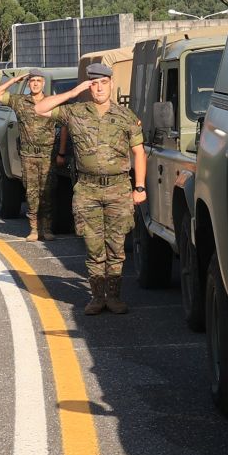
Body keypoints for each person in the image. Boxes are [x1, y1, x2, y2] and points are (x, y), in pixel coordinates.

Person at [33, 62, 145, 314]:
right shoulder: (76, 111)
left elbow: (139, 153)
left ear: (111, 84)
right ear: (88, 86)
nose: (99, 88)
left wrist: (139, 186)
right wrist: (73, 92)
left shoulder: (126, 116)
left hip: (118, 188)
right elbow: (40, 108)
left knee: (116, 248)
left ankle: (114, 297)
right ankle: (97, 297)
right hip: (87, 190)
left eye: (103, 83)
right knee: (94, 247)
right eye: (94, 83)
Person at [0, 71, 58, 241]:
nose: (35, 84)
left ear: (43, 83)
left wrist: (62, 152)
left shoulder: (51, 101)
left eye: (38, 81)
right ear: (28, 84)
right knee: (31, 192)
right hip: (28, 155)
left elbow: (64, 125)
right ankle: (34, 229)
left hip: (47, 154)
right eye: (32, 81)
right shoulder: (20, 101)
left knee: (48, 192)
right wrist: (14, 80)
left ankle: (47, 228)